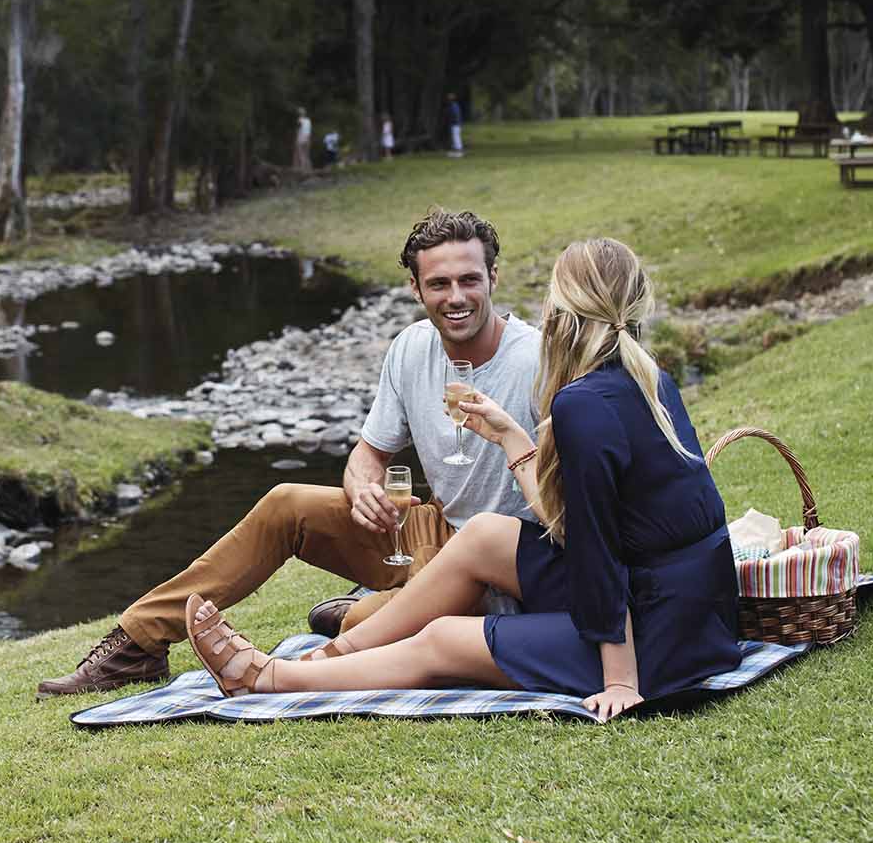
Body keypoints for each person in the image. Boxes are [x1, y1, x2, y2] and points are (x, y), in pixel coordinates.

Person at [181, 237, 742, 721]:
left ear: (564, 308)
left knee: (442, 639)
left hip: (656, 642)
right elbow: (585, 524)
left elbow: (598, 551)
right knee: (484, 536)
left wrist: (620, 679)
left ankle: (266, 679)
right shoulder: (646, 377)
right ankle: (330, 658)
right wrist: (510, 437)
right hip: (697, 612)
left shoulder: (582, 404)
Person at [37, 209, 545, 696]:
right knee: (287, 503)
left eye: (469, 280)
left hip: (500, 562)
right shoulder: (411, 348)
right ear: (415, 288)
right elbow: (369, 451)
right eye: (439, 284)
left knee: (381, 629)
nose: (456, 297)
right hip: (430, 531)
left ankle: (350, 616)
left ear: (493, 277)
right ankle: (137, 644)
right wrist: (363, 489)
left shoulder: (538, 360)